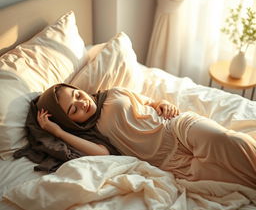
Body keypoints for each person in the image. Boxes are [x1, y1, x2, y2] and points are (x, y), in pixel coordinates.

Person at [36, 83, 256, 189]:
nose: (82, 102)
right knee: (230, 180)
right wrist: (58, 132)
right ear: (69, 121)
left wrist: (163, 104)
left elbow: (150, 102)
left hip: (175, 128)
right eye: (73, 110)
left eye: (77, 94)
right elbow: (102, 153)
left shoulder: (113, 92)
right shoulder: (92, 133)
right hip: (171, 163)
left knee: (226, 140)